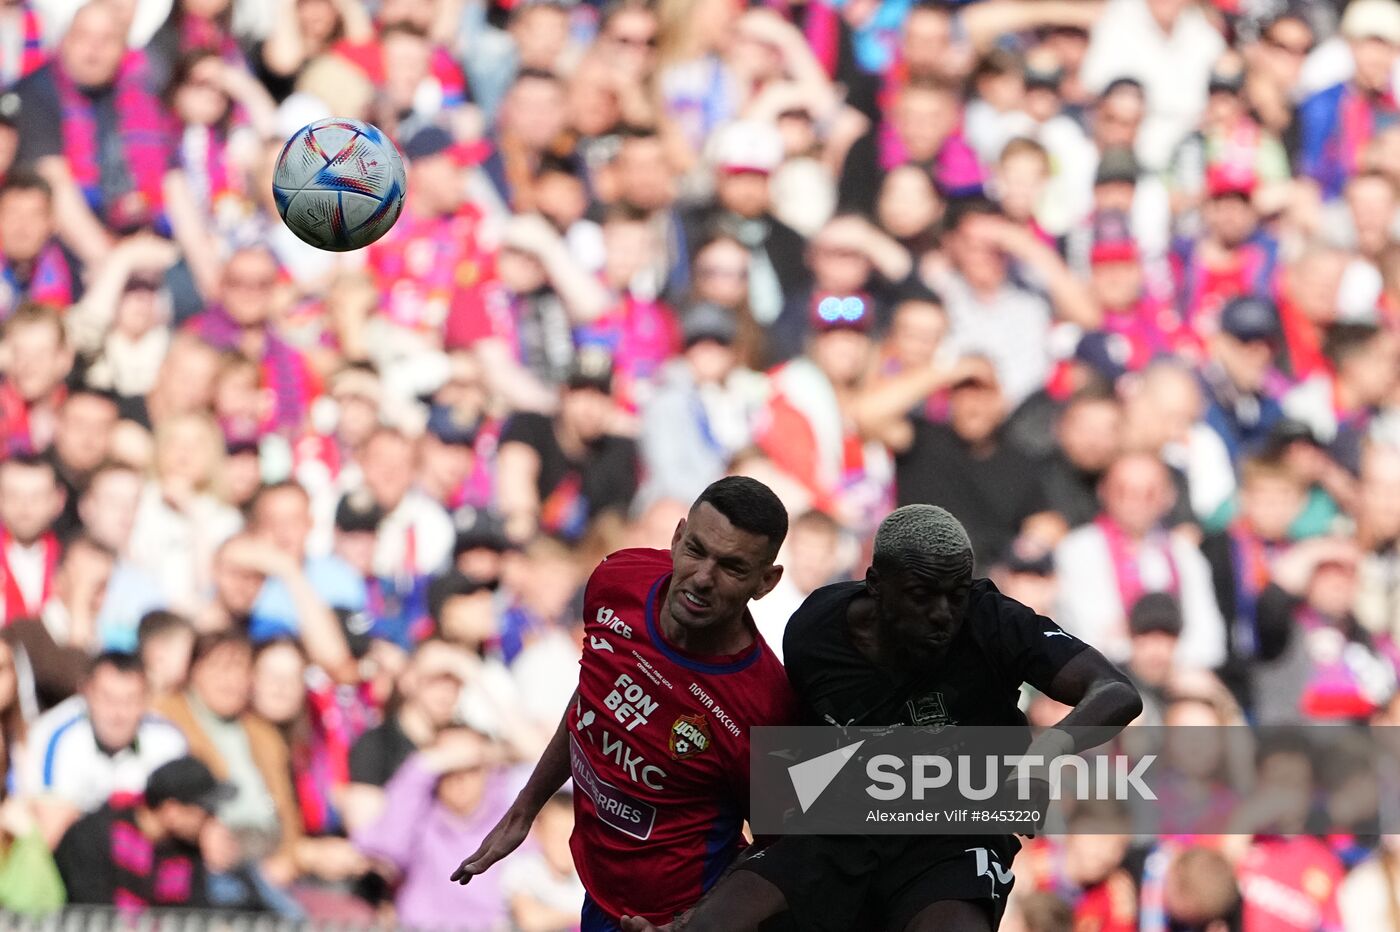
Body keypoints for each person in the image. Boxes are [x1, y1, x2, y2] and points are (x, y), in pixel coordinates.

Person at [619, 504, 1141, 932]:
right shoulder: (816, 633)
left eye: (955, 595)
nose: (943, 613)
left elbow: (1115, 691)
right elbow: (794, 765)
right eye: (921, 596)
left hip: (953, 833)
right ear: (876, 584)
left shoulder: (995, 622)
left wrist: (1044, 755)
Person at [451, 476, 796, 931]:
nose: (703, 578)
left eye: (731, 567)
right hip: (598, 900)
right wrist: (524, 808)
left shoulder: (765, 705)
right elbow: (592, 696)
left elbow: (779, 849)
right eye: (695, 550)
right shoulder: (617, 579)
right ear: (675, 538)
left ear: (765, 582)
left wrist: (696, 922)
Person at [22, 651, 187, 847]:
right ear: (86, 692)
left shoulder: (169, 739)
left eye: (130, 700)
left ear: (146, 700)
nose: (118, 713)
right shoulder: (56, 736)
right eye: (108, 698)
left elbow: (186, 817)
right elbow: (52, 830)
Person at [54, 755, 231, 908]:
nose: (212, 819)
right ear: (172, 810)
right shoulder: (93, 835)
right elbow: (91, 912)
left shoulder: (188, 852)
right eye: (205, 811)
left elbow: (195, 916)